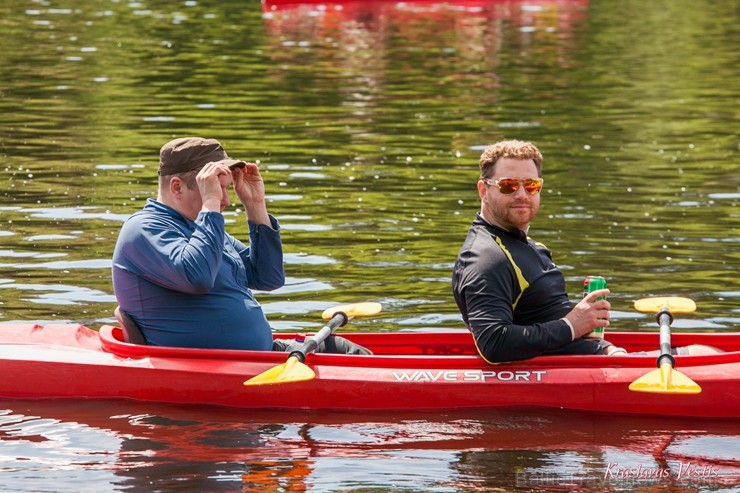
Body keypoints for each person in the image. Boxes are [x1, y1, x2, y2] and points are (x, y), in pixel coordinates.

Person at [451, 140, 719, 363]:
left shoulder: (529, 246)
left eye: (531, 185)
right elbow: (493, 344)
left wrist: (585, 324)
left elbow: (543, 322)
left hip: (593, 359)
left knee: (708, 352)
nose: (522, 193)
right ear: (483, 191)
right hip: (570, 373)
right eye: (509, 185)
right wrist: (571, 326)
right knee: (702, 355)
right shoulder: (486, 258)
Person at [112, 136, 369, 355]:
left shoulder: (203, 227)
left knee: (348, 351)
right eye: (214, 189)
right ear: (177, 187)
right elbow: (197, 278)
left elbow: (267, 277)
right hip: (209, 368)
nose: (225, 200)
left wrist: (255, 206)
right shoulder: (143, 230)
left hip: (260, 356)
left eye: (226, 189)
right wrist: (210, 205)